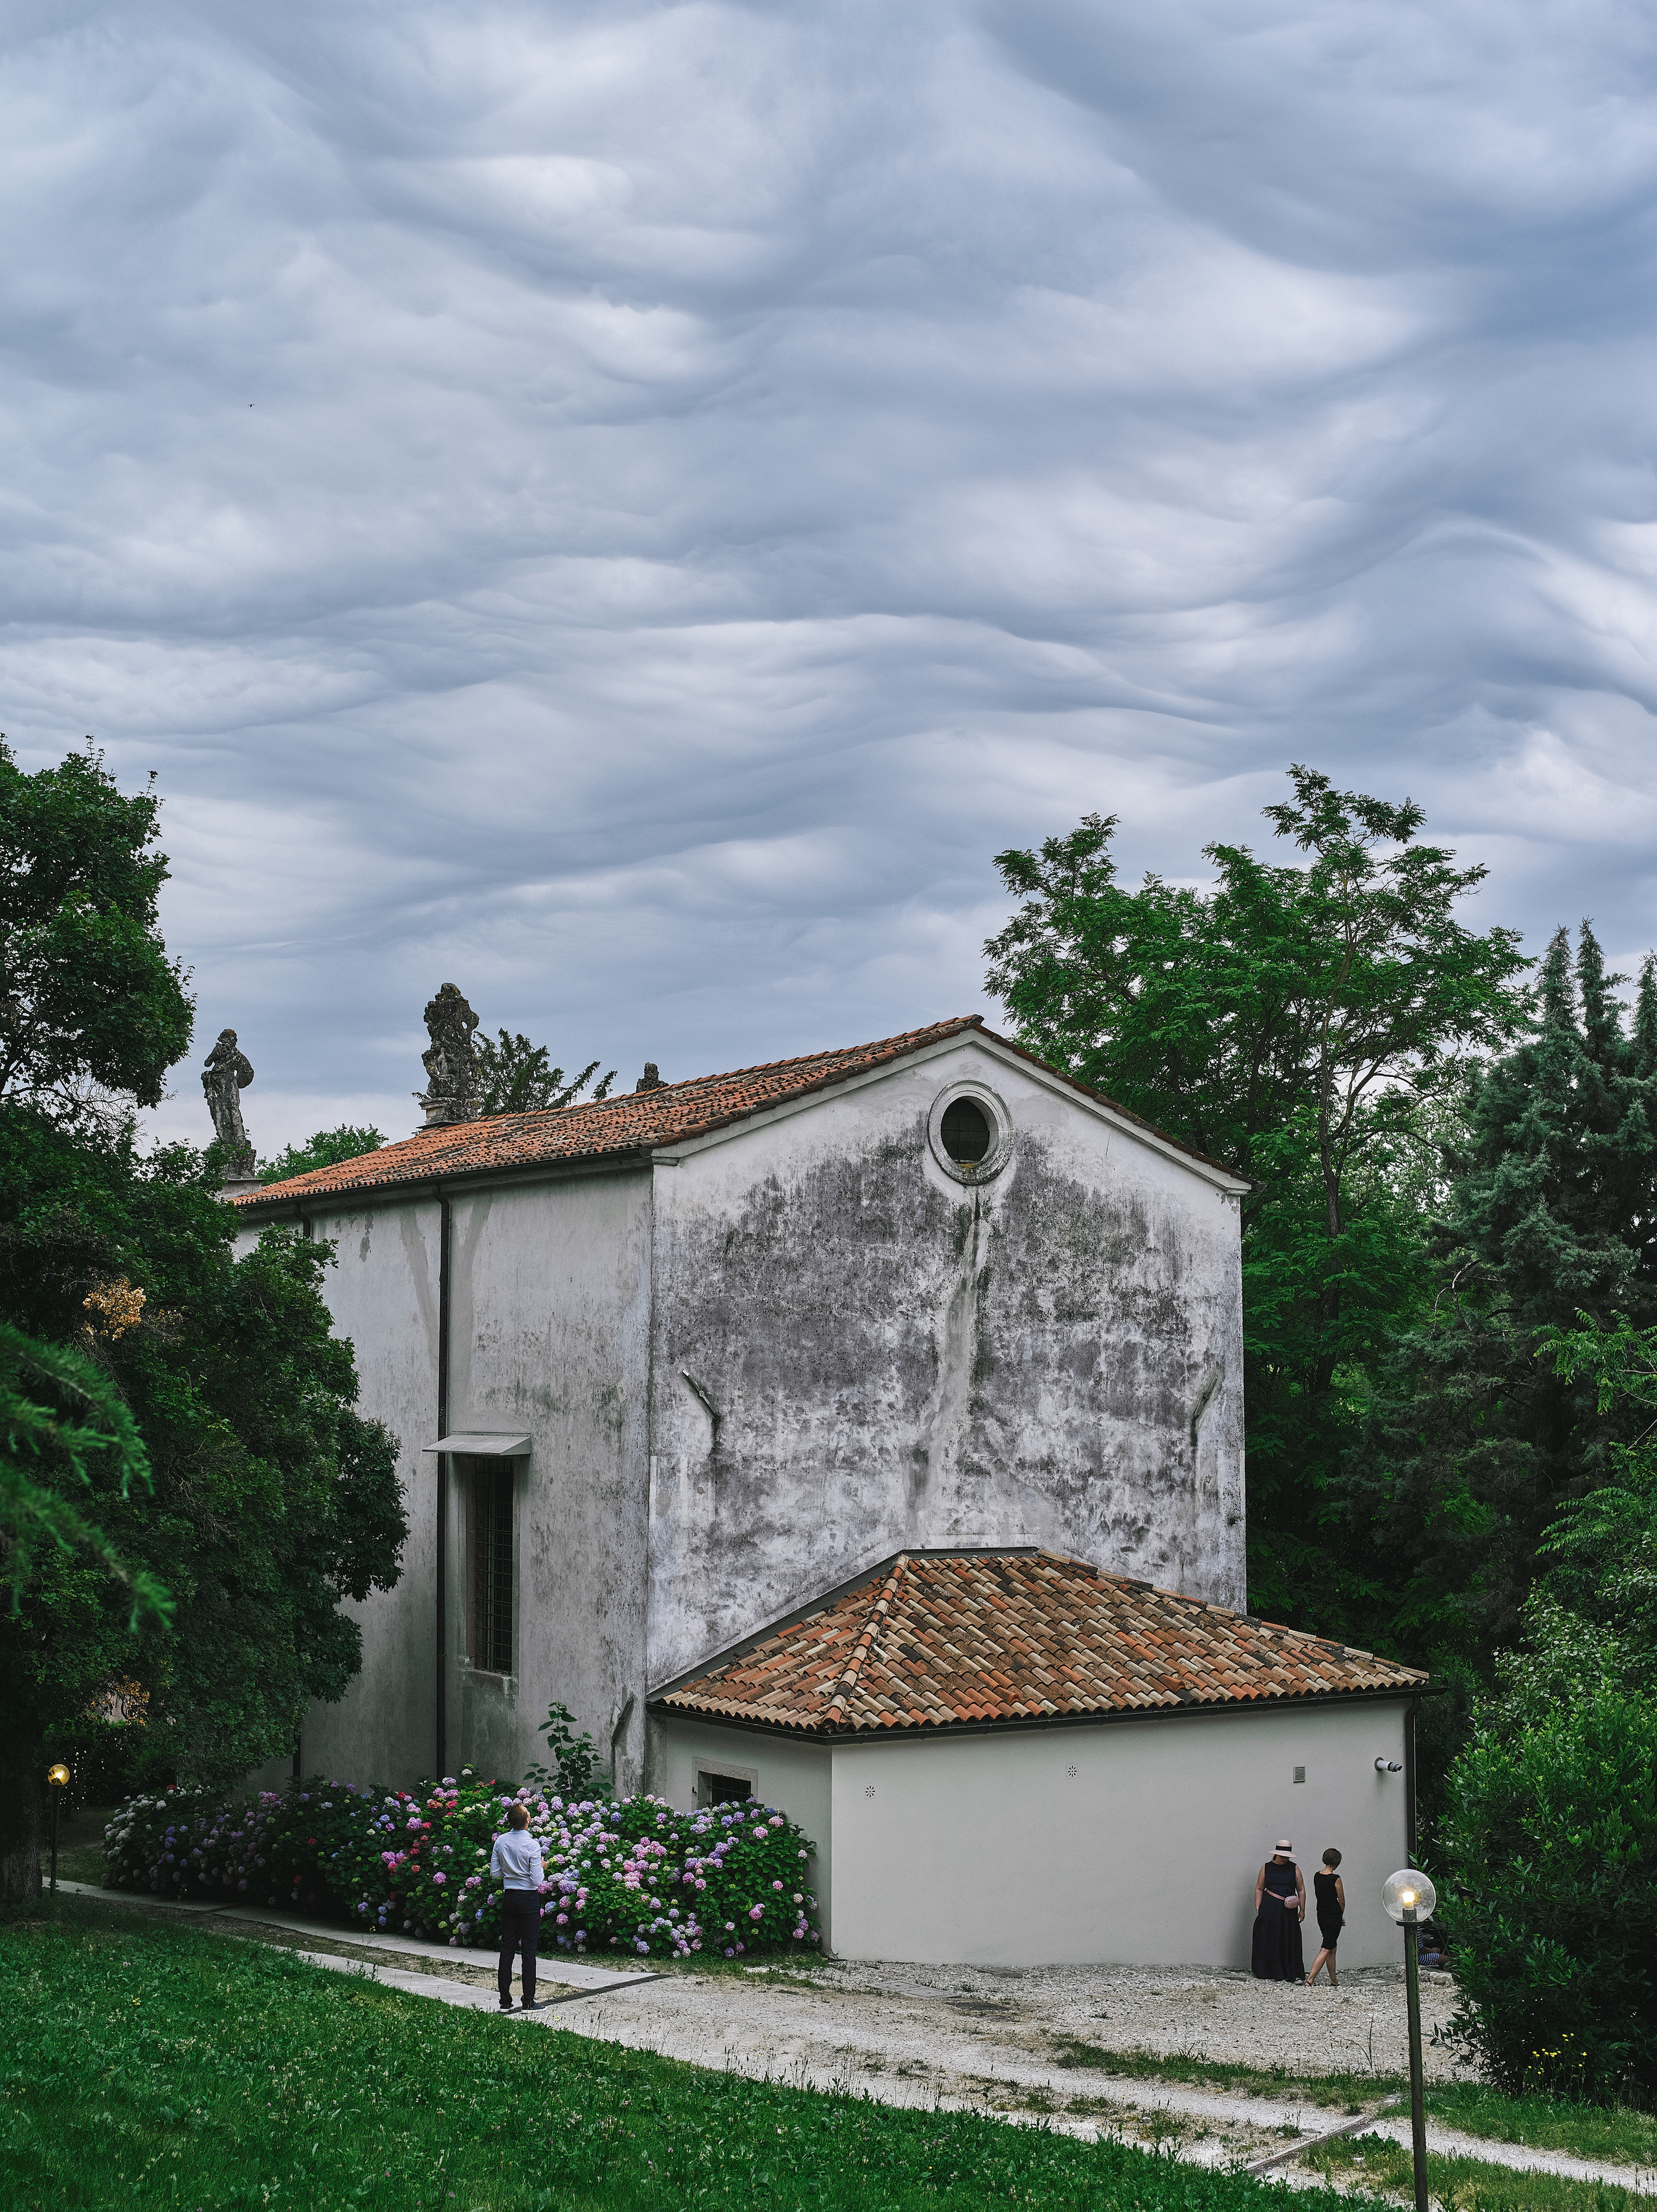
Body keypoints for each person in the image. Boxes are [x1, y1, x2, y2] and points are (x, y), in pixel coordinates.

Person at [490, 1801, 546, 2011]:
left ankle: (505, 2002)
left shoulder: (501, 1841)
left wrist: (511, 1871)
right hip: (529, 1899)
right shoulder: (532, 1845)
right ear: (527, 1821)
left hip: (510, 1897)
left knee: (507, 1949)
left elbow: (495, 1873)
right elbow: (537, 1880)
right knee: (529, 1951)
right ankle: (528, 2001)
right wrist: (542, 1866)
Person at [1251, 1839, 1306, 1982]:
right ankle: (1267, 1970)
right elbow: (1259, 1888)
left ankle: (1288, 1971)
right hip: (1270, 1909)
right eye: (1282, 1856)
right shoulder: (1266, 1868)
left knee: (1287, 1938)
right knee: (1269, 1938)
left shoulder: (1294, 1868)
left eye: (1286, 1856)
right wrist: (1258, 1907)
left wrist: (1302, 1909)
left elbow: (1301, 1889)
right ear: (1276, 1854)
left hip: (1288, 1911)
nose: (1284, 1859)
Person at [1307, 1847, 1345, 1987]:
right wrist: (1340, 1916)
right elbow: (1341, 1901)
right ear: (1337, 1862)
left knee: (1331, 1947)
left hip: (1321, 1915)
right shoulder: (1336, 1879)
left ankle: (1334, 1981)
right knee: (1325, 1948)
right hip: (1333, 1916)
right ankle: (1310, 1980)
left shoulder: (1317, 1876)